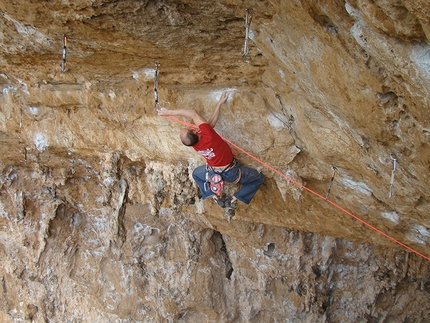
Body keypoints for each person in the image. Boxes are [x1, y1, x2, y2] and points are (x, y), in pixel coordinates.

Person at [157, 92, 264, 209]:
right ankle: (235, 198)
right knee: (257, 178)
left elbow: (210, 124)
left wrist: (218, 105)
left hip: (213, 172)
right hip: (230, 172)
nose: (191, 127)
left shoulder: (195, 144)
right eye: (190, 129)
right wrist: (169, 112)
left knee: (196, 174)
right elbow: (193, 113)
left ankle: (212, 194)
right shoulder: (208, 135)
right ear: (195, 132)